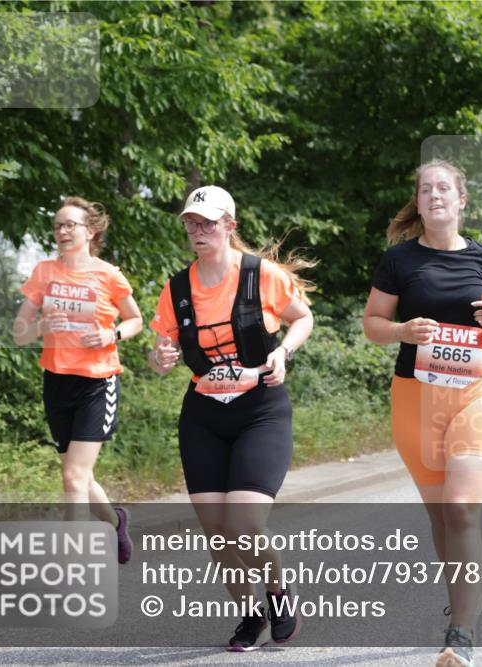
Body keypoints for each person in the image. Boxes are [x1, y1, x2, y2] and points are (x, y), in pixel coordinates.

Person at [363, 159, 482, 667]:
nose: (434, 195)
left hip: (476, 393)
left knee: (459, 509)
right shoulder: (399, 260)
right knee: (439, 517)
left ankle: (462, 632)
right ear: (418, 202)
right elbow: (372, 323)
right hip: (416, 398)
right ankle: (464, 595)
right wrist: (402, 331)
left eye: (443, 189)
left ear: (461, 201)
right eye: (425, 190)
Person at [148, 185, 314, 651]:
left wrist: (283, 351)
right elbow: (161, 351)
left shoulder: (261, 275)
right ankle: (250, 615)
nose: (198, 230)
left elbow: (302, 318)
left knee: (243, 524)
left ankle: (278, 592)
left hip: (260, 410)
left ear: (229, 226)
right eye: (191, 223)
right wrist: (159, 358)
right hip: (203, 415)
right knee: (217, 533)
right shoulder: (177, 289)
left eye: (208, 222)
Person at [12, 196, 142, 563]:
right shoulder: (44, 272)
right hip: (57, 382)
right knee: (78, 476)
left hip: (97, 383)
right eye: (58, 225)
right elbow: (18, 333)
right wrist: (40, 326)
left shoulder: (108, 274)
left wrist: (111, 334)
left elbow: (135, 320)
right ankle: (115, 520)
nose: (63, 231)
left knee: (73, 476)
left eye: (71, 224)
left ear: (91, 231)